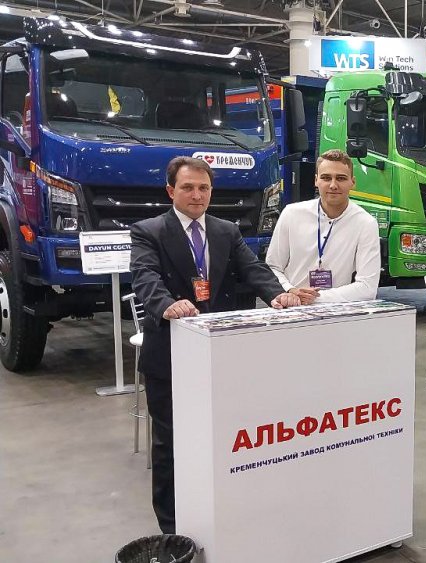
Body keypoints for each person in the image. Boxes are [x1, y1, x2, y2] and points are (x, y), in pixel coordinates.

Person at [130, 156, 300, 534]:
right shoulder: (148, 231)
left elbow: (253, 269)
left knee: (223, 438)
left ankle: (219, 512)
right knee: (171, 443)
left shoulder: (226, 231)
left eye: (203, 188)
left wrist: (277, 294)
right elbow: (144, 277)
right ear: (171, 191)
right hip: (170, 358)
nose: (197, 195)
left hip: (220, 356)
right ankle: (172, 528)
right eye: (188, 187)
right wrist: (165, 304)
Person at [266, 149, 380, 304]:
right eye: (326, 178)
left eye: (341, 178)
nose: (333, 185)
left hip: (336, 312)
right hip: (291, 307)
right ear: (316, 180)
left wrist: (312, 299)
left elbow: (367, 288)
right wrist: (289, 291)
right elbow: (272, 267)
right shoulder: (292, 214)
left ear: (352, 182)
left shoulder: (365, 224)